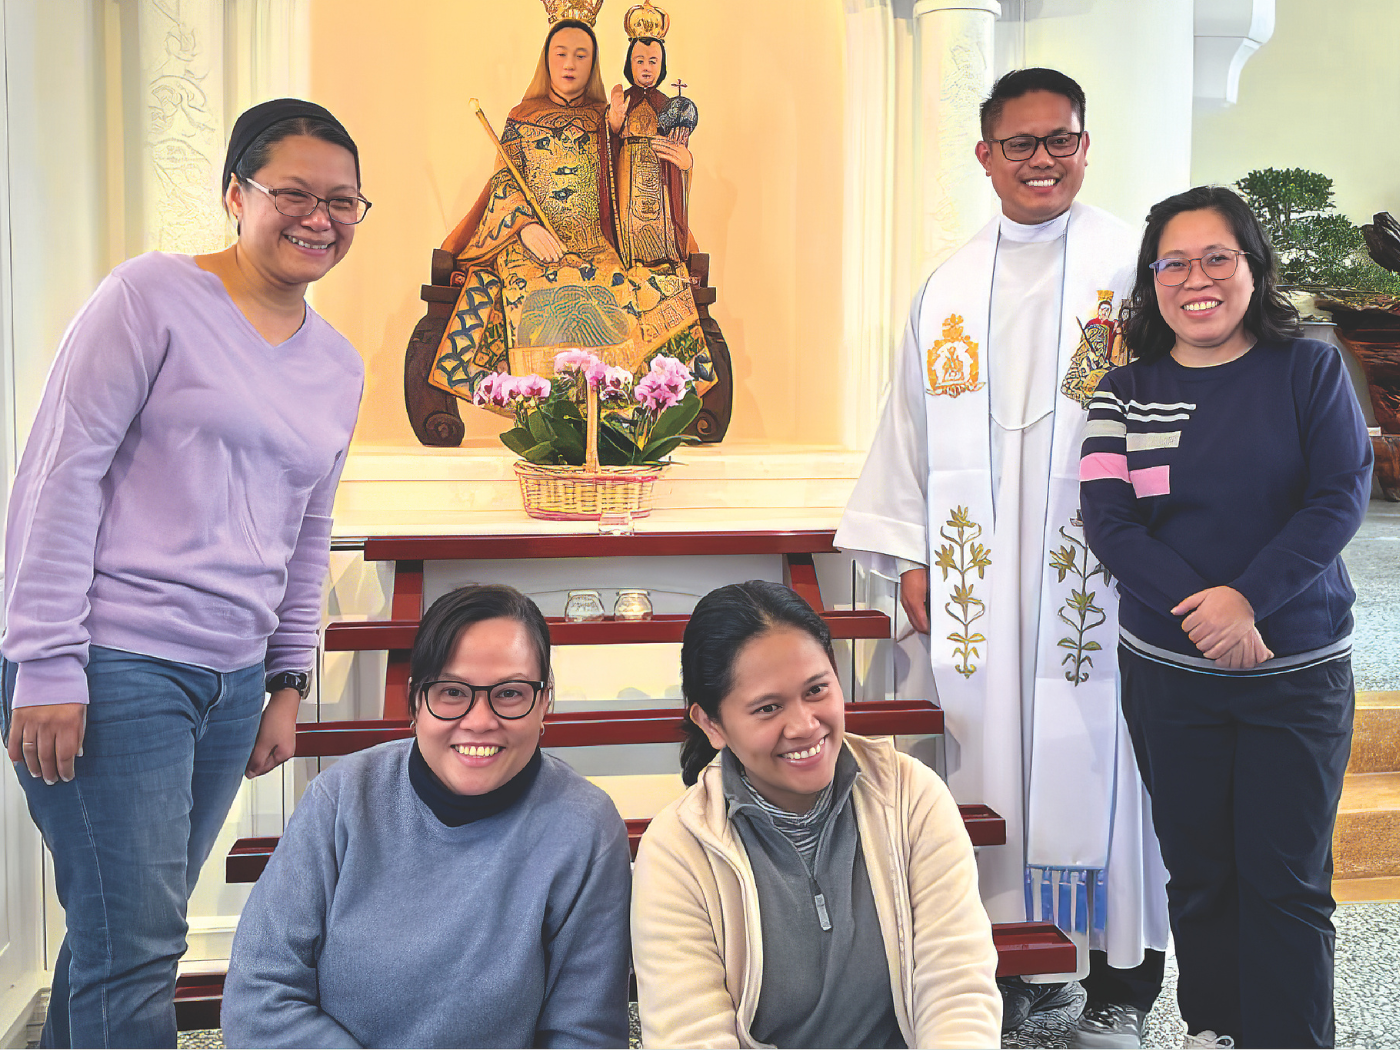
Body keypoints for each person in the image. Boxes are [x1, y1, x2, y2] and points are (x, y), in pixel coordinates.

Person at [0, 98, 367, 1047]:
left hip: (233, 680)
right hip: (111, 664)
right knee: (141, 949)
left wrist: (286, 683)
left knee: (118, 936)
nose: (317, 217)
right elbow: (58, 474)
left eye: (343, 201)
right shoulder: (149, 296)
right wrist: (44, 662)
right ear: (235, 194)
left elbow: (306, 530)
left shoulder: (338, 366)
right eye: (292, 192)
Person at [835, 68, 1170, 1048]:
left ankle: (1117, 983)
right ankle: (1005, 967)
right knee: (978, 760)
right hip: (974, 578)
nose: (1039, 159)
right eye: (1018, 144)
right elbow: (905, 432)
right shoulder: (944, 288)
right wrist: (906, 557)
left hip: (1096, 574)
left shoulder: (1131, 268)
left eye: (1057, 139)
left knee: (1106, 760)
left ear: (1083, 144)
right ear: (982, 157)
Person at [1080, 185, 1371, 1049]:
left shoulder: (1310, 368)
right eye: (1175, 262)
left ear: (1252, 267)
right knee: (1201, 873)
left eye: (1218, 257)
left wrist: (1248, 600)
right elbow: (1111, 522)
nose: (1196, 278)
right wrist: (1204, 617)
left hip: (1297, 670)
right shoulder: (1123, 390)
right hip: (1172, 678)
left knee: (1285, 880)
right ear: (1151, 280)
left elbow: (1337, 498)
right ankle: (1215, 1029)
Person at [221, 584, 632, 1048]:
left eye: (511, 693)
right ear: (415, 701)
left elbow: (584, 1034)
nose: (480, 720)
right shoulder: (341, 797)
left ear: (545, 704)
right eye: (452, 691)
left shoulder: (585, 828)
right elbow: (259, 995)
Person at [631, 580, 1002, 1048]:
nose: (805, 726)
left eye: (817, 690)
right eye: (768, 708)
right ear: (711, 724)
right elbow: (691, 1034)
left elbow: (957, 990)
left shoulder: (912, 797)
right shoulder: (678, 849)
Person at [429, 10, 710, 402]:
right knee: (530, 290)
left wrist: (682, 166)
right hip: (533, 242)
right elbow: (504, 179)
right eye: (561, 53)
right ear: (546, 59)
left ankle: (631, 399)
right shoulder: (522, 118)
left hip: (602, 239)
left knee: (644, 286)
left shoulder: (609, 118)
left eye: (581, 56)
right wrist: (525, 226)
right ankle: (543, 401)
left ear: (593, 64)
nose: (569, 64)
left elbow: (641, 175)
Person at [608, 0, 692, 267]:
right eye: (640, 60)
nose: (646, 67)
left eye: (653, 61)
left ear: (662, 64)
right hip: (626, 180)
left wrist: (686, 164)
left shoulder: (669, 106)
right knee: (626, 228)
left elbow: (680, 155)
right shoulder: (623, 102)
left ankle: (662, 258)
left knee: (660, 227)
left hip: (659, 183)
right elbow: (605, 150)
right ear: (629, 63)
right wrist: (612, 126)